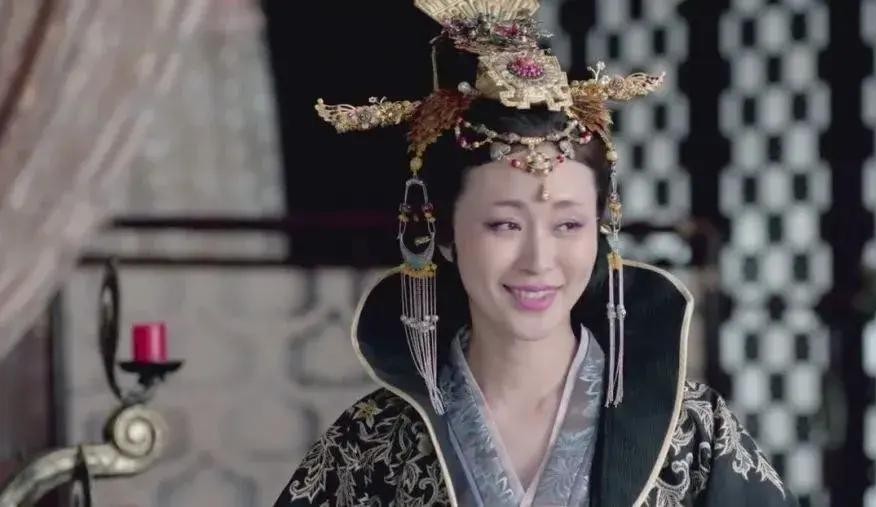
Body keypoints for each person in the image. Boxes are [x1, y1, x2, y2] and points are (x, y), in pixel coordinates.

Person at [275, 1, 797, 505]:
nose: (539, 259)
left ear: (601, 229)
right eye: (505, 224)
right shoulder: (373, 441)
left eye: (569, 224)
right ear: (445, 234)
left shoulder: (693, 429)